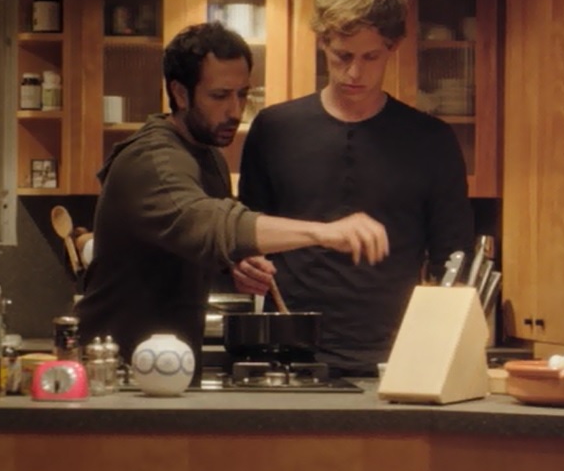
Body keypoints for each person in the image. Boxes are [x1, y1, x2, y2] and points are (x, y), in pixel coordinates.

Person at [75, 21, 390, 365]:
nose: (235, 111)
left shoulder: (208, 155)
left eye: (242, 94)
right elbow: (206, 222)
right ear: (180, 93)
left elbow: (191, 241)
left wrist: (235, 264)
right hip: (115, 368)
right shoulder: (153, 160)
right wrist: (323, 232)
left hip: (165, 365)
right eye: (219, 96)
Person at [234, 0, 475, 377]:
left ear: (393, 47)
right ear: (322, 42)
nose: (354, 73)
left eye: (370, 57)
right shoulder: (275, 128)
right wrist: (243, 265)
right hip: (289, 352)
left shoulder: (430, 139)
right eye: (342, 56)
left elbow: (454, 259)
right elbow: (245, 231)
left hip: (397, 356)